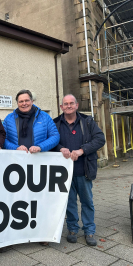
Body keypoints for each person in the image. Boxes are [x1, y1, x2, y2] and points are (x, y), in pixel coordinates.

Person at [53, 94, 105, 246]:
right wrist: (60, 148)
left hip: (84, 170)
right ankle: (72, 229)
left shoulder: (87, 122)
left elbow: (100, 139)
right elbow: (49, 140)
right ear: (61, 107)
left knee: (87, 201)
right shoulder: (55, 123)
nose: (68, 106)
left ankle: (89, 230)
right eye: (65, 104)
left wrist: (82, 150)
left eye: (71, 103)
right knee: (69, 202)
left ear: (76, 105)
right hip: (64, 173)